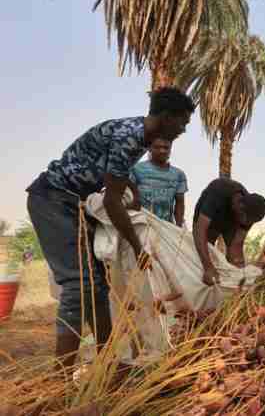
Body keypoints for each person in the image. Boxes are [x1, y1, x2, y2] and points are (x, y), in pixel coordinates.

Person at [26, 87, 195, 371]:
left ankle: (109, 364)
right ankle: (60, 376)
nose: (183, 130)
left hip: (68, 203)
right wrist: (138, 246)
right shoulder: (131, 137)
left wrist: (129, 186)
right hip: (53, 200)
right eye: (183, 122)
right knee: (79, 286)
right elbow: (112, 202)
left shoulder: (138, 135)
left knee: (97, 287)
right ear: (167, 117)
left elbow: (111, 172)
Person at [193, 179, 265, 286]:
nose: (247, 225)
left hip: (231, 220)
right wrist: (208, 267)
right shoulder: (218, 193)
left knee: (234, 267)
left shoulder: (250, 212)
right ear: (240, 207)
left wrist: (240, 277)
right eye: (245, 221)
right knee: (206, 254)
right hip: (209, 219)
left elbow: (236, 245)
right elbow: (199, 231)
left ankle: (230, 285)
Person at [129, 138, 187, 226]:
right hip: (140, 225)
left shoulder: (178, 175)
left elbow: (180, 204)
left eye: (166, 148)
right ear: (149, 148)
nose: (162, 151)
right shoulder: (136, 169)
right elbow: (128, 197)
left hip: (165, 228)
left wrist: (178, 228)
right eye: (157, 147)